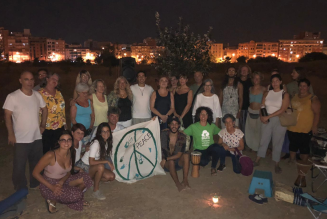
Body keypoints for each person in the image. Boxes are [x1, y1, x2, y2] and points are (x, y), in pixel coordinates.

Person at [3, 71, 47, 190]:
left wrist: (43, 125)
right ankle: (20, 187)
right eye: (26, 79)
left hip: (36, 136)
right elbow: (7, 115)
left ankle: (35, 183)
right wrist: (10, 134)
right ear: (20, 80)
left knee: (36, 163)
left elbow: (45, 109)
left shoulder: (37, 95)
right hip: (20, 138)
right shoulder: (13, 97)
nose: (30, 82)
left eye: (32, 79)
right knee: (19, 166)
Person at [32, 131, 93, 212]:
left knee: (87, 178)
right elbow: (35, 173)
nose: (66, 142)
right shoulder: (51, 155)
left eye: (69, 140)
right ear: (59, 142)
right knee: (77, 194)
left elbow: (68, 172)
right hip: (49, 185)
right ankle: (53, 199)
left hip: (64, 180)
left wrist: (62, 181)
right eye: (63, 140)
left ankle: (69, 196)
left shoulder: (71, 152)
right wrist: (52, 187)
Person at [254, 74, 290, 174]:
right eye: (273, 81)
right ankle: (258, 159)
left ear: (281, 82)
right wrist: (262, 116)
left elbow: (283, 109)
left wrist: (268, 117)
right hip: (266, 117)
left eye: (277, 81)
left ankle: (276, 163)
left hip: (279, 119)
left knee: (277, 141)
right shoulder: (267, 93)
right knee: (263, 139)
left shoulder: (284, 94)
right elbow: (262, 105)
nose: (275, 83)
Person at [75, 123, 115, 200]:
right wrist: (107, 162)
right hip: (84, 167)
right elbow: (91, 162)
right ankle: (96, 190)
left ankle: (91, 181)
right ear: (100, 133)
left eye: (107, 131)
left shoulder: (106, 142)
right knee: (100, 166)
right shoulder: (96, 143)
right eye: (103, 131)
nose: (106, 133)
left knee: (111, 176)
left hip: (92, 167)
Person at [287, 78, 321, 163]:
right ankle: (292, 160)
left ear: (308, 87)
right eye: (300, 86)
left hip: (305, 128)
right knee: (292, 144)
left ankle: (303, 163)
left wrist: (314, 126)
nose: (302, 88)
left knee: (304, 147)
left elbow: (317, 113)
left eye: (304, 86)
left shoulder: (313, 98)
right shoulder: (295, 96)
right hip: (292, 126)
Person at [184, 107, 221, 176]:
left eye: (206, 114)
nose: (203, 116)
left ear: (208, 116)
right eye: (202, 114)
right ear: (198, 115)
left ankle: (213, 167)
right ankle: (208, 158)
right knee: (203, 162)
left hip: (210, 147)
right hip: (199, 149)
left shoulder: (212, 126)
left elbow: (221, 132)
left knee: (217, 148)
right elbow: (183, 133)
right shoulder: (193, 126)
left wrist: (234, 128)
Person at [38, 73, 67, 154]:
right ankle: (45, 166)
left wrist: (64, 123)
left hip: (59, 127)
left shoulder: (59, 93)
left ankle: (55, 166)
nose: (55, 81)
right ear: (47, 79)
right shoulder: (39, 93)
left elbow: (62, 109)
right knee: (46, 151)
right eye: (53, 79)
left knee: (57, 150)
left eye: (57, 80)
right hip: (46, 128)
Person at [160, 117, 190, 192]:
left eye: (176, 124)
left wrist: (166, 159)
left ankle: (185, 180)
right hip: (166, 164)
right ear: (169, 125)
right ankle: (178, 184)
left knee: (186, 155)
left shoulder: (182, 136)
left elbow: (179, 155)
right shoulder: (163, 134)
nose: (174, 126)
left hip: (176, 162)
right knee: (170, 161)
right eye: (172, 124)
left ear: (179, 125)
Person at [245, 72, 266, 151]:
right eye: (254, 78)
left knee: (259, 131)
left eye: (258, 78)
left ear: (260, 79)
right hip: (250, 111)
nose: (256, 80)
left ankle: (258, 148)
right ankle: (251, 146)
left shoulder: (264, 89)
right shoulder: (250, 89)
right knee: (251, 130)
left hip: (259, 112)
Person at [238, 65, 253, 137]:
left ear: (248, 72)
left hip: (247, 107)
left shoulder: (251, 82)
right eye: (242, 70)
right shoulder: (236, 81)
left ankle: (244, 142)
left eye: (245, 70)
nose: (244, 71)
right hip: (237, 106)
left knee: (245, 126)